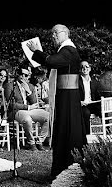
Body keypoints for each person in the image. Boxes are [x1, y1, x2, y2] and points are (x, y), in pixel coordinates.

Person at [27, 24, 87, 177]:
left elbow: (51, 61)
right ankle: (63, 167)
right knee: (63, 129)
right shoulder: (65, 50)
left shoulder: (69, 50)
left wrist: (36, 51)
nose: (53, 36)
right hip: (65, 96)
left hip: (68, 98)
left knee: (67, 130)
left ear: (66, 34)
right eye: (51, 33)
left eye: (56, 33)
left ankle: (67, 167)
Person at [7, 65, 49, 150]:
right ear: (17, 74)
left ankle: (39, 141)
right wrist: (28, 107)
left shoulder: (31, 86)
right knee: (27, 119)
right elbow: (11, 104)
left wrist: (28, 92)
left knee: (48, 116)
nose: (23, 77)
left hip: (30, 110)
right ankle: (31, 143)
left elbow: (34, 102)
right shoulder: (10, 86)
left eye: (26, 75)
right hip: (17, 111)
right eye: (21, 74)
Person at [79, 61, 101, 135]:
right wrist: (79, 102)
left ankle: (109, 132)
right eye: (82, 67)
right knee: (86, 113)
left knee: (103, 109)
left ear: (90, 69)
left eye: (86, 66)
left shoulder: (94, 82)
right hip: (82, 105)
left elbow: (98, 95)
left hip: (92, 104)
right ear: (80, 70)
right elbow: (74, 95)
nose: (84, 68)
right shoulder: (77, 82)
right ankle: (87, 135)